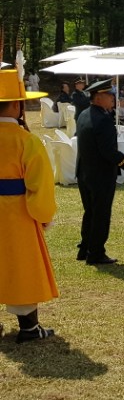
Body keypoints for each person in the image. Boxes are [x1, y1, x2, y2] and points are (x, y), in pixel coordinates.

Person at [0, 69, 58, 342]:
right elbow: (40, 185)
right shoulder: (27, 141)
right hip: (17, 213)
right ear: (16, 105)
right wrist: (43, 215)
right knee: (21, 266)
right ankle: (29, 328)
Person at [75, 79, 124, 265]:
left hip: (85, 172)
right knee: (100, 214)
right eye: (109, 95)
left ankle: (85, 248)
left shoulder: (84, 114)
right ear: (98, 97)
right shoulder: (103, 120)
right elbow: (108, 151)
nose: (113, 98)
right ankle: (95, 253)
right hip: (100, 174)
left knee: (90, 212)